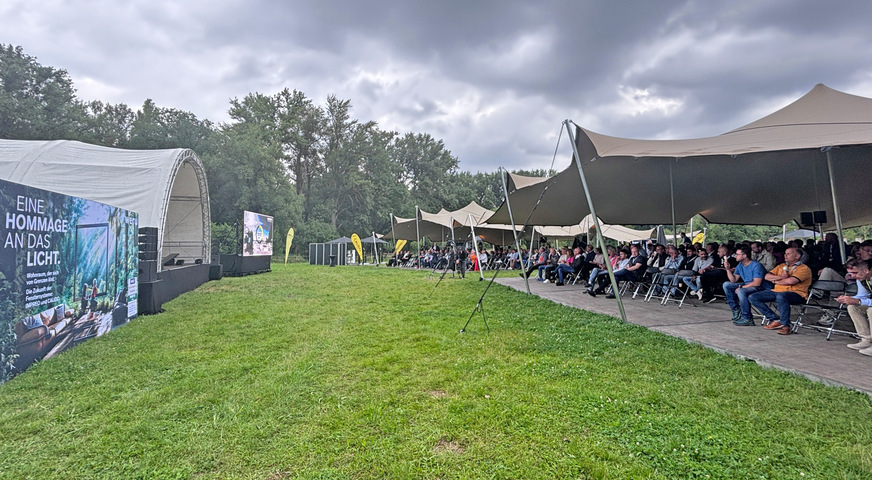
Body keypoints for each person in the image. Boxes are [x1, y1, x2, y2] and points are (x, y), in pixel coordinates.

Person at [749, 247, 813, 335]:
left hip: (797, 293)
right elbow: (767, 276)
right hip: (777, 291)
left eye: (788, 254)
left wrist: (775, 280)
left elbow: (791, 281)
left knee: (781, 296)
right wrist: (782, 277)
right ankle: (775, 319)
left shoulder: (803, 268)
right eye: (785, 253)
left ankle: (785, 325)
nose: (785, 255)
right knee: (753, 297)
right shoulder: (781, 266)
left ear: (797, 256)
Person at [723, 245, 770, 326]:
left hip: (761, 287)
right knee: (727, 284)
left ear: (744, 255)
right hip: (748, 285)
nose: (735, 256)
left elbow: (757, 283)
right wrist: (727, 269)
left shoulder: (756, 265)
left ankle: (747, 317)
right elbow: (733, 280)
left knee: (741, 291)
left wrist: (742, 287)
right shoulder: (740, 265)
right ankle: (736, 309)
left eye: (737, 254)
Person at [835, 259, 872, 355]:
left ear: (865, 270)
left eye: (855, 273)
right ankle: (866, 340)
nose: (852, 276)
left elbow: (861, 300)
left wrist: (858, 301)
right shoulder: (862, 279)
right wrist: (848, 299)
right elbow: (862, 296)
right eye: (850, 273)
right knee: (853, 307)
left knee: (871, 310)